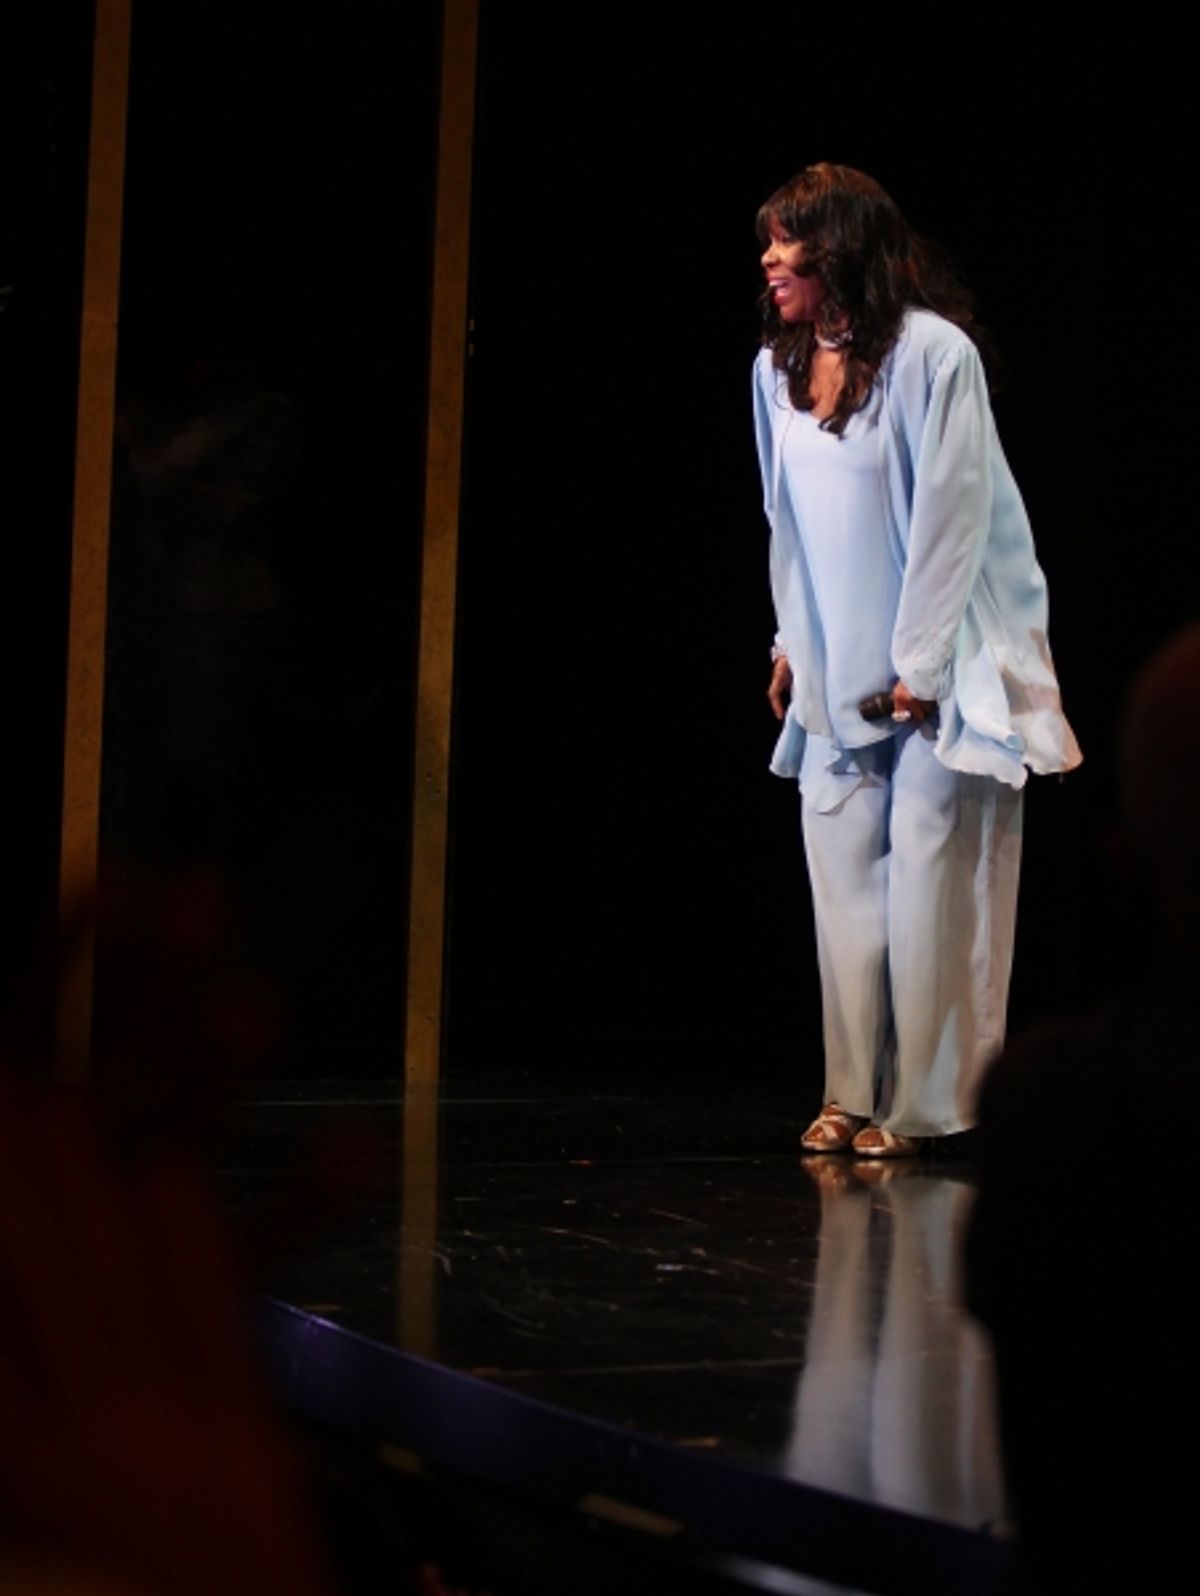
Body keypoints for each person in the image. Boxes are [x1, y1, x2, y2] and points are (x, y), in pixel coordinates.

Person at [754, 162, 1080, 1158]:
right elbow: (787, 523)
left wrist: (921, 668)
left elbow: (953, 517)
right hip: (834, 664)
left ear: (842, 246)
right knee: (844, 889)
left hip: (944, 668)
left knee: (931, 886)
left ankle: (922, 1106)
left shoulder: (937, 357)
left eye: (789, 239)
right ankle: (847, 1093)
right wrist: (786, 641)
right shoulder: (774, 369)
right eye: (768, 241)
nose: (769, 259)